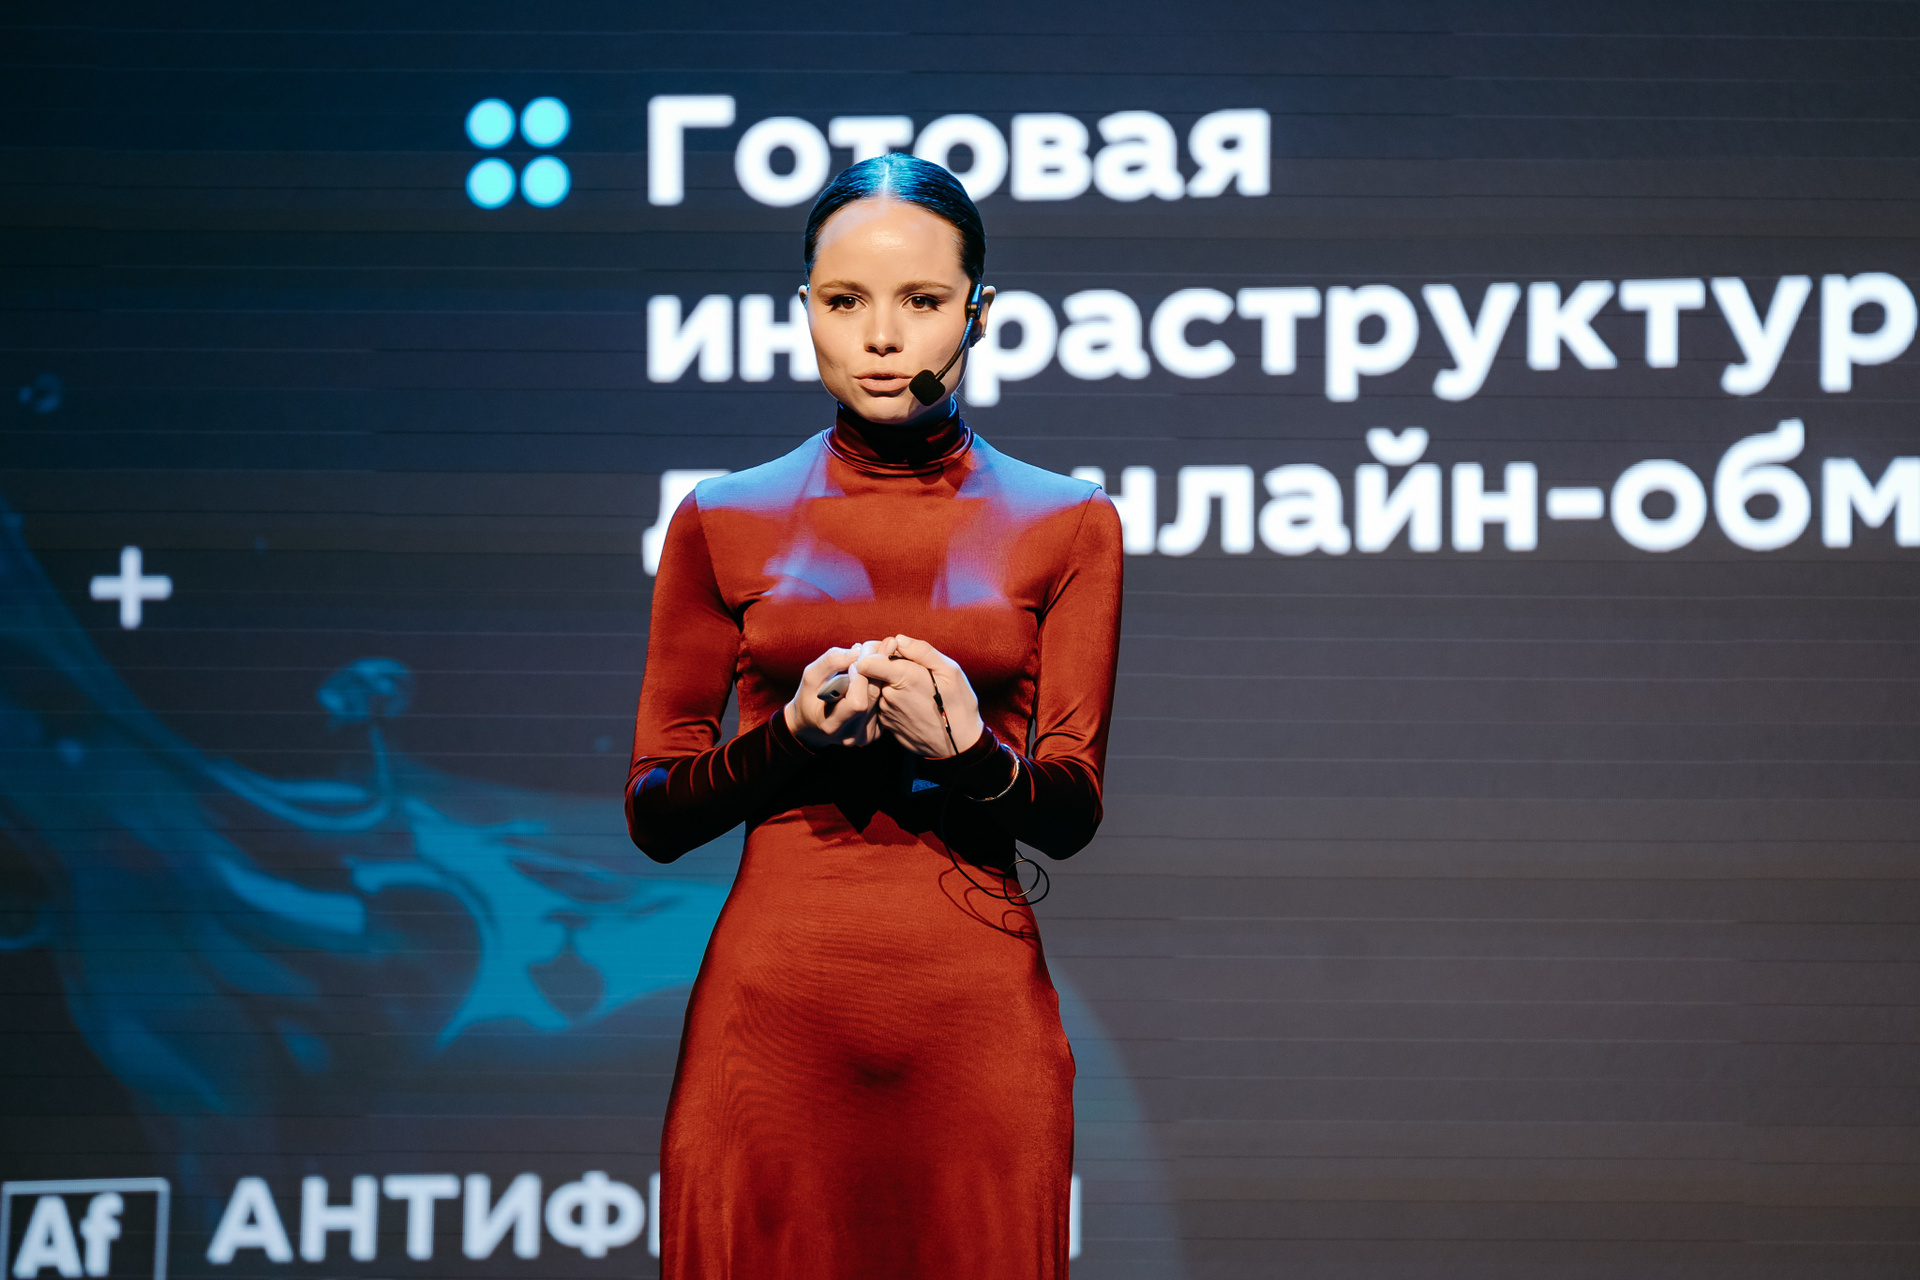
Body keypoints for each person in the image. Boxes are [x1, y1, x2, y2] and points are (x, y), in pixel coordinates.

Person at [625, 152, 1123, 1279]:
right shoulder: (721, 518)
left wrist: (973, 756)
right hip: (771, 1029)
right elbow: (655, 810)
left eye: (923, 300)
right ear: (804, 309)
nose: (883, 337)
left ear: (979, 312)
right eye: (846, 302)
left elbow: (1071, 809)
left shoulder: (1070, 523)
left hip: (973, 1023)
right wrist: (792, 739)